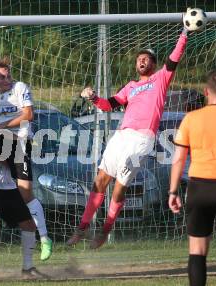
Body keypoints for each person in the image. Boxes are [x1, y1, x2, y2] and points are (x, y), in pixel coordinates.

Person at [68, 21, 190, 248]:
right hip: (121, 136)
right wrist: (93, 98)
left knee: (119, 186)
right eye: (139, 59)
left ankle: (105, 232)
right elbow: (107, 106)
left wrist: (185, 33)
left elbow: (174, 58)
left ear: (153, 64)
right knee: (100, 181)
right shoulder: (130, 86)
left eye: (146, 58)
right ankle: (82, 229)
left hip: (142, 140)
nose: (141, 60)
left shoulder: (160, 79)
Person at [0, 58, 53, 261]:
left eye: (8, 75)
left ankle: (44, 239)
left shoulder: (20, 88)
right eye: (1, 76)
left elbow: (28, 114)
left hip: (19, 141)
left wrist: (3, 125)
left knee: (26, 194)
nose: (6, 79)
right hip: (1, 142)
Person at [169, 71, 216, 286]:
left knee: (197, 251)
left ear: (206, 92)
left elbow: (179, 159)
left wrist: (172, 192)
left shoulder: (191, 119)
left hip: (199, 189)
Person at [0, 161, 47, 279]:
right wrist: (9, 159)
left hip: (10, 186)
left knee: (29, 225)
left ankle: (28, 268)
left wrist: (14, 159)